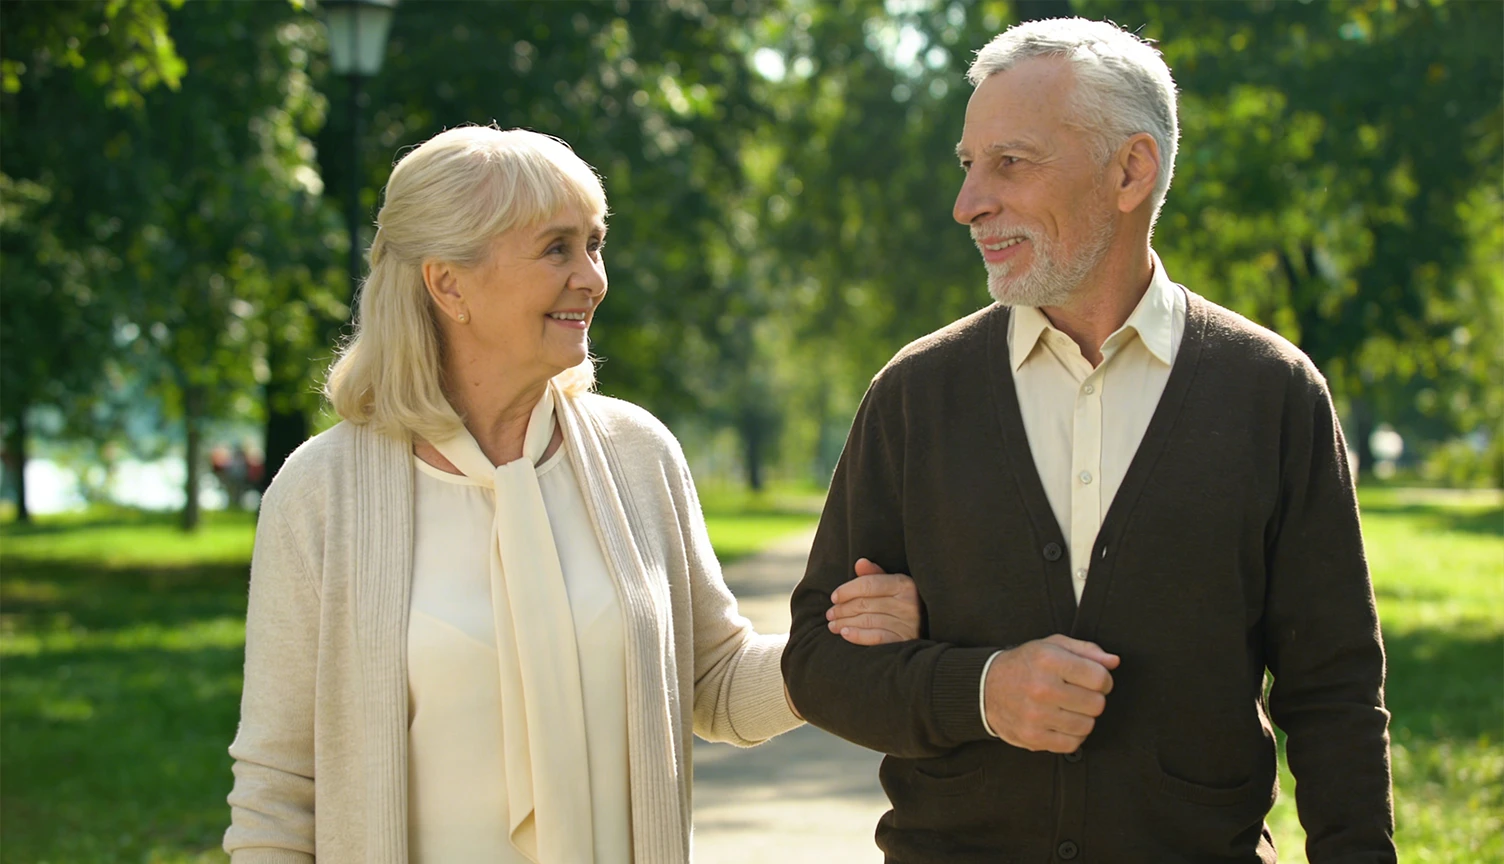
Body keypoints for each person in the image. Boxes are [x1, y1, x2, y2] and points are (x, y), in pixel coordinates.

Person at [222, 126, 925, 864]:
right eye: (557, 248)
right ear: (447, 284)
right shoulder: (318, 494)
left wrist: (842, 649)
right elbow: (278, 786)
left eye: (595, 245)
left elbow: (713, 681)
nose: (593, 279)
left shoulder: (638, 454)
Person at [783, 18, 1394, 863]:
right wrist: (985, 690)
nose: (968, 204)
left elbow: (1334, 694)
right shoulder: (916, 397)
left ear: (1130, 170)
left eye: (1010, 163)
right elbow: (815, 664)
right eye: (969, 167)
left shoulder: (1273, 395)